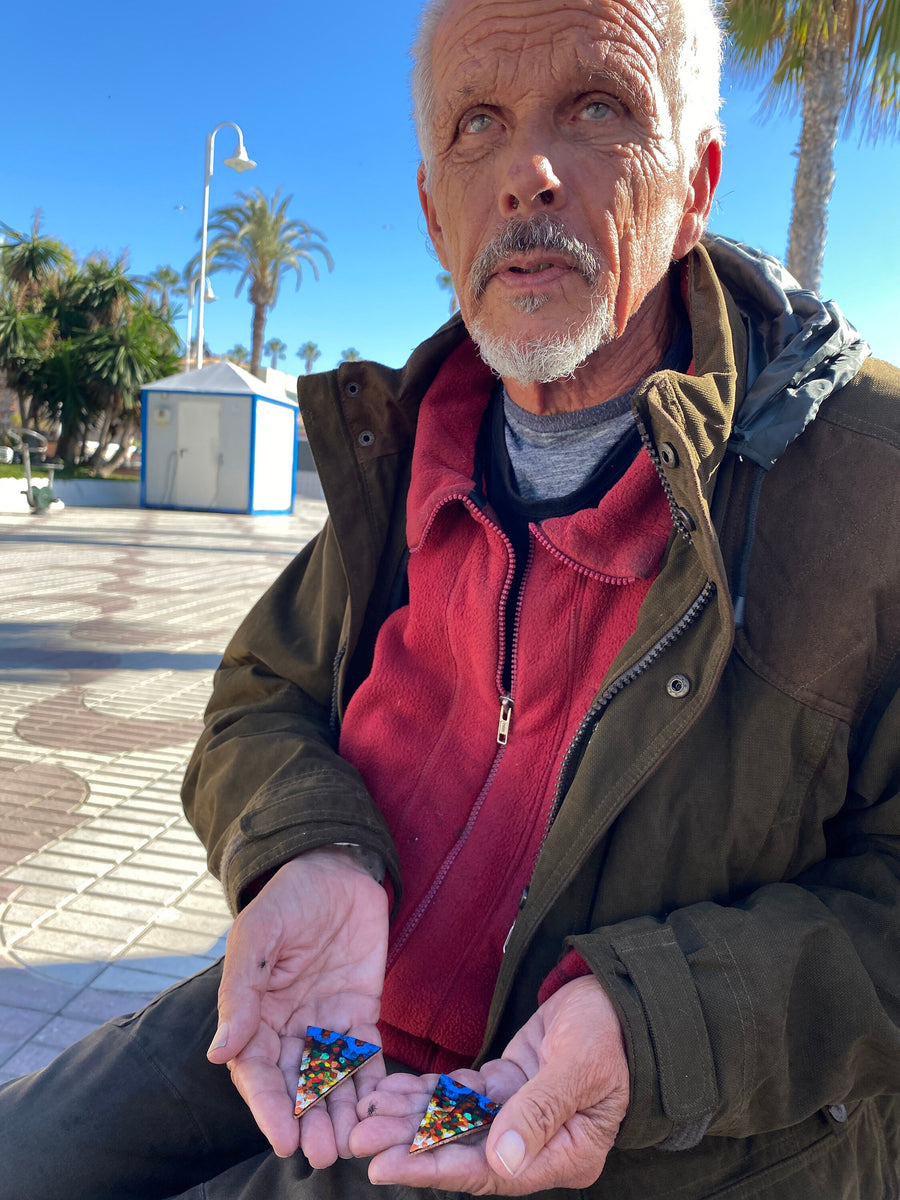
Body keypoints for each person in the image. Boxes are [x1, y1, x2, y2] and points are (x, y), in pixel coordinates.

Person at [2, 0, 899, 1196]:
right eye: (477, 123)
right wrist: (303, 852)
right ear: (434, 211)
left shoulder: (867, 477)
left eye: (598, 106)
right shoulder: (411, 444)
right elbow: (261, 692)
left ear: (694, 186)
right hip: (328, 1023)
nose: (526, 171)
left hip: (577, 1116)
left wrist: (655, 1027)